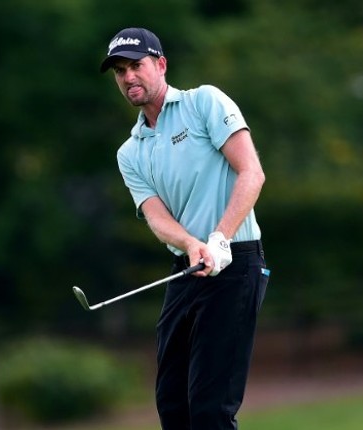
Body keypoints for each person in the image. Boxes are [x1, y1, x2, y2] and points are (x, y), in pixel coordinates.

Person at [100, 27, 270, 429]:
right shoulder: (131, 151)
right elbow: (157, 218)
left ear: (160, 65)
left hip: (235, 262)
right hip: (188, 266)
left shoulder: (204, 103)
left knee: (211, 409)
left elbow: (252, 172)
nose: (128, 78)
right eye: (120, 71)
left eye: (136, 66)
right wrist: (193, 244)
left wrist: (219, 237)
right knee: (173, 406)